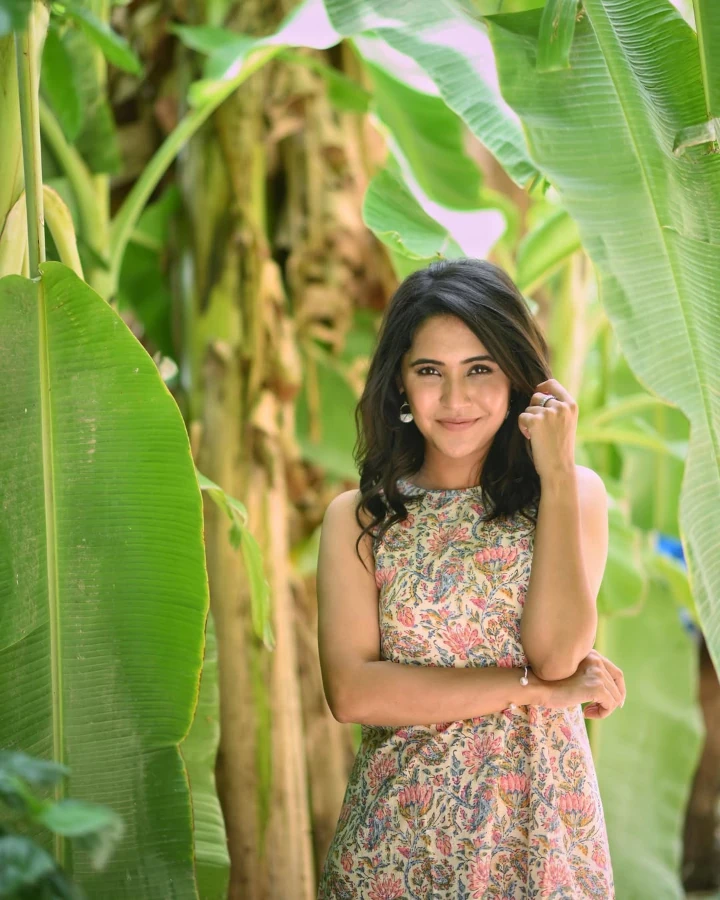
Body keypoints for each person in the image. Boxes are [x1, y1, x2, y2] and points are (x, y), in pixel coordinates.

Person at [315, 258, 624, 899]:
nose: (454, 400)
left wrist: (559, 474)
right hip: (396, 847)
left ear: (515, 376)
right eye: (430, 372)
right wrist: (538, 693)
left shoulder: (571, 497)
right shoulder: (359, 519)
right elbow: (353, 693)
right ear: (400, 384)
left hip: (541, 844)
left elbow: (558, 652)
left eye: (479, 369)